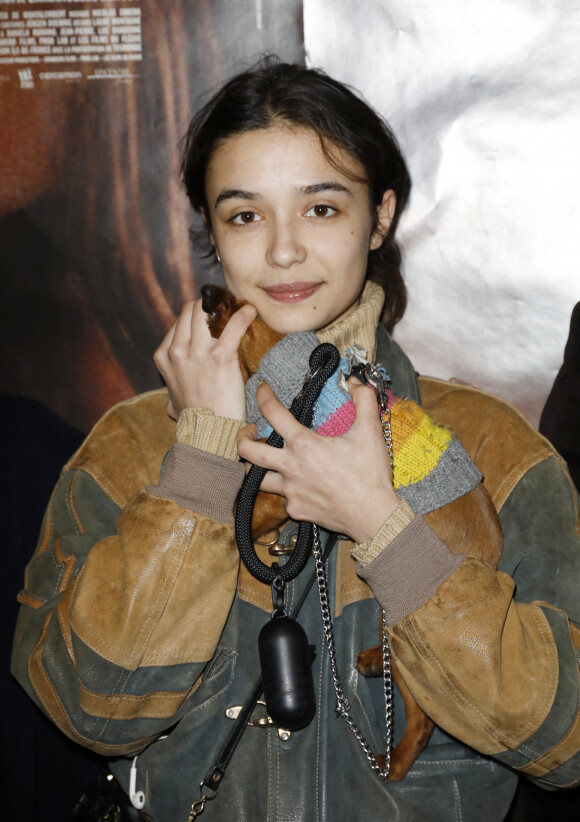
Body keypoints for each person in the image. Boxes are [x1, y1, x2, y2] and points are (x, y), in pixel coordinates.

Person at [11, 59, 580, 822]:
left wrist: (385, 529)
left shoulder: (496, 452)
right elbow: (96, 709)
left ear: (379, 218)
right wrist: (206, 459)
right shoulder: (131, 447)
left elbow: (564, 741)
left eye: (320, 209)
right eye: (245, 215)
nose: (283, 252)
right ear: (211, 231)